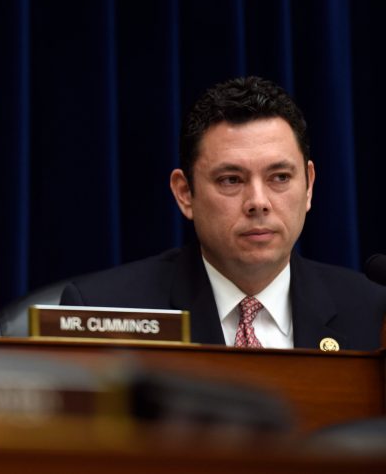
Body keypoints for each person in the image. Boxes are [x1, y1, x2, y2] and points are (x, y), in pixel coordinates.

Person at [61, 76, 386, 350]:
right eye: (231, 180)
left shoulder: (373, 312)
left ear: (309, 186)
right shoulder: (103, 310)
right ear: (185, 193)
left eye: (280, 178)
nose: (258, 202)